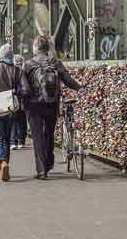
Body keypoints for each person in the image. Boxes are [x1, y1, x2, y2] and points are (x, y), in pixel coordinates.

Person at [23, 35, 83, 180]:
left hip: (34, 105)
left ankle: (42, 170)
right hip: (52, 103)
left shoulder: (28, 64)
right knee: (49, 133)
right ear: (48, 48)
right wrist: (80, 88)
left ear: (35, 48)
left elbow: (23, 86)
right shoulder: (55, 62)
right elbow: (68, 80)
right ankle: (49, 162)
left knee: (37, 136)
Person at [0, 43, 30, 182]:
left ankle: (2, 161)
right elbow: (26, 89)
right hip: (11, 108)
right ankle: (6, 163)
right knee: (8, 137)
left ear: (0, 55)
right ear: (12, 56)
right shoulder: (17, 70)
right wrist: (16, 93)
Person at [11, 54, 28, 149]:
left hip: (15, 98)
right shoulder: (24, 72)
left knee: (15, 120)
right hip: (22, 98)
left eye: (19, 63)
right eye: (17, 63)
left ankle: (15, 141)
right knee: (21, 120)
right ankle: (20, 140)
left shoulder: (11, 71)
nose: (18, 64)